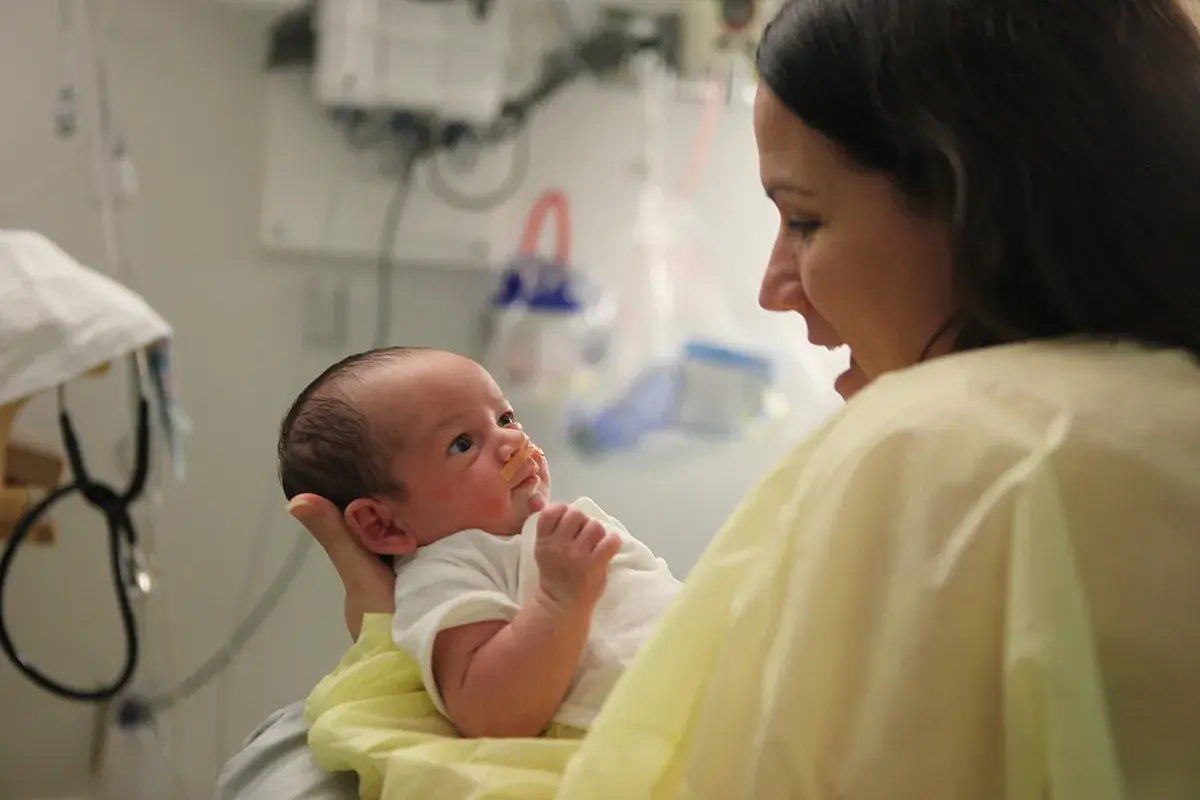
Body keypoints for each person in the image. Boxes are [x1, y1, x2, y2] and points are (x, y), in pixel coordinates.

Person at [215, 0, 1200, 797]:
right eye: (463, 443)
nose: (774, 284)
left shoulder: (967, 440)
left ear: (978, 205)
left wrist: (383, 669)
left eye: (806, 218)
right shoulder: (1136, 408)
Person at [276, 347, 681, 741]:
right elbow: (490, 713)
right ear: (383, 525)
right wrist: (559, 600)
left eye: (505, 418)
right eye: (463, 444)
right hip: (653, 729)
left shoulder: (547, 530)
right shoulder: (446, 571)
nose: (512, 442)